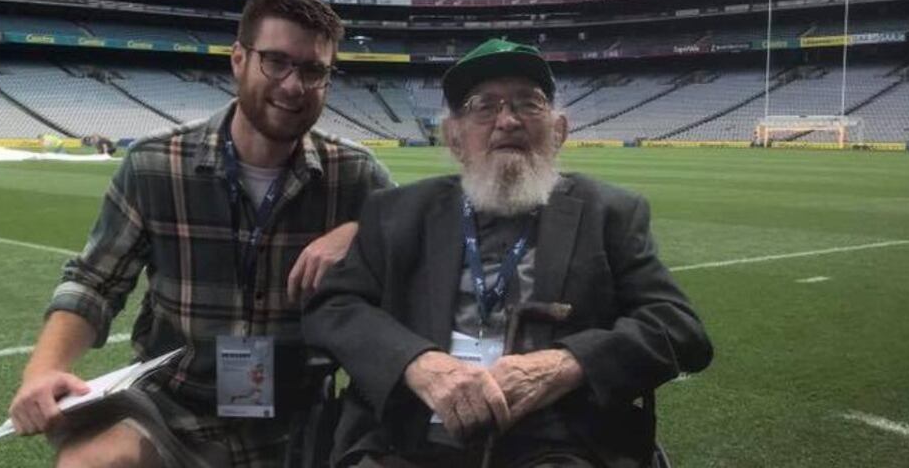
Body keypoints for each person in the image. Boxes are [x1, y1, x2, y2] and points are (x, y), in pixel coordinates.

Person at [9, 0, 393, 468]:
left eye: (313, 70)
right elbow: (94, 284)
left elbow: (422, 248)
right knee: (88, 464)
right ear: (239, 60)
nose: (294, 85)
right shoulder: (155, 164)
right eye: (276, 61)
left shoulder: (356, 177)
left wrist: (364, 231)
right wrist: (43, 370)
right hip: (174, 407)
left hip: (302, 416)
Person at [304, 38, 713, 468]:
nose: (508, 121)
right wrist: (416, 362)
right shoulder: (396, 211)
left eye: (529, 104)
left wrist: (566, 363)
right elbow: (333, 307)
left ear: (558, 131)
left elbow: (679, 329)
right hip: (408, 442)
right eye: (484, 106)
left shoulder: (610, 212)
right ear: (454, 137)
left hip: (560, 445)